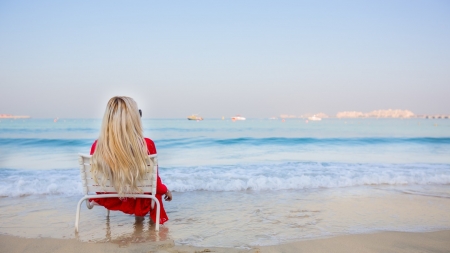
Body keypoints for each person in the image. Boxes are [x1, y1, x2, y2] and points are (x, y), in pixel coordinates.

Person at [89, 96, 172, 224]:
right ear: (133, 118)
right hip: (138, 198)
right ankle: (146, 224)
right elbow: (154, 181)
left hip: (109, 198)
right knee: (153, 191)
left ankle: (138, 223)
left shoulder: (97, 146)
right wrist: (166, 190)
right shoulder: (146, 144)